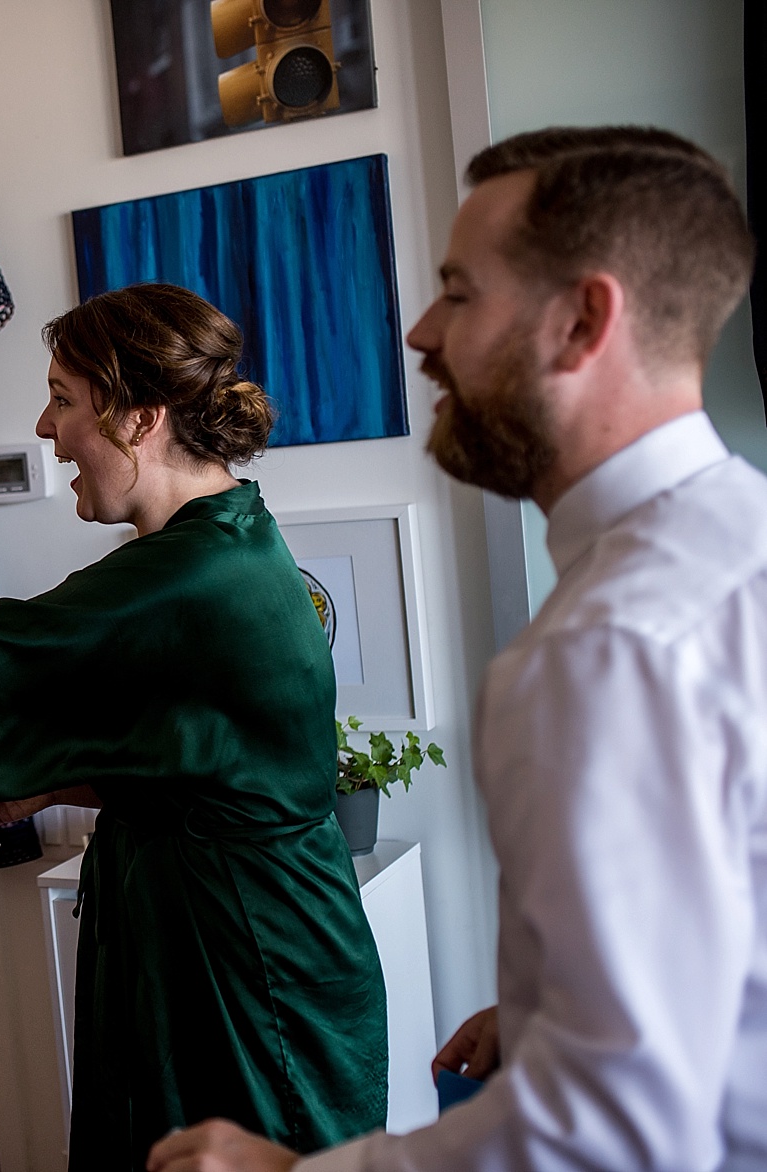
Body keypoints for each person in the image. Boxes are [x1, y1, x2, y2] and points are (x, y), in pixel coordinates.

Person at [148, 127, 767, 1172]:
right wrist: (546, 1011)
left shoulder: (603, 651)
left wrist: (297, 1171)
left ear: (582, 320)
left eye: (458, 292)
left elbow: (608, 1137)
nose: (421, 332)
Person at [0, 283, 389, 1170]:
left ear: (139, 418)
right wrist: (57, 786)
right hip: (205, 925)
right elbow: (207, 761)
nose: (46, 428)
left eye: (61, 398)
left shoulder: (188, 568)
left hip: (242, 955)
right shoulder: (225, 537)